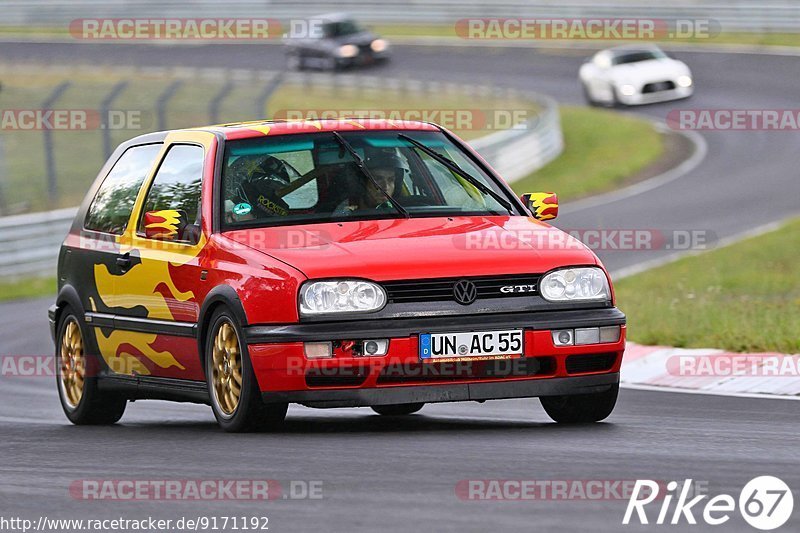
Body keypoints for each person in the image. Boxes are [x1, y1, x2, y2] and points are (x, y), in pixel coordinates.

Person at [333, 149, 404, 216]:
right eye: (378, 179)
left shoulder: (400, 210)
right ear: (363, 182)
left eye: (391, 180)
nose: (386, 187)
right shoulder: (346, 211)